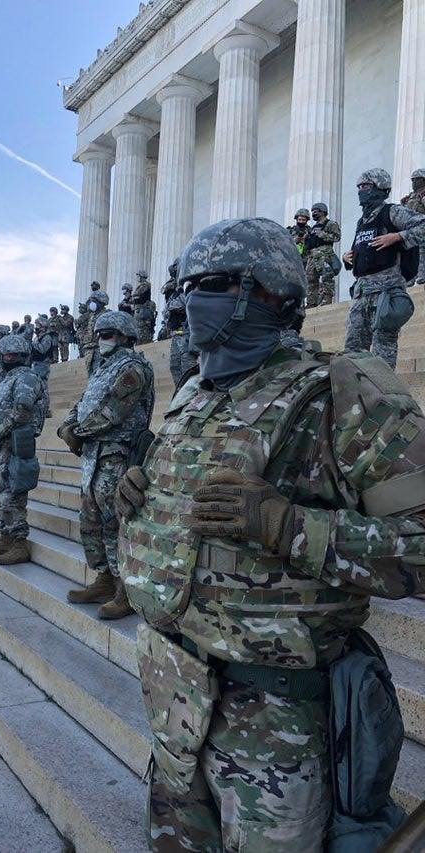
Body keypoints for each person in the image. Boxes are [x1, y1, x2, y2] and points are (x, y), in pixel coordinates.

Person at [115, 217, 425, 852]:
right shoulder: (195, 394)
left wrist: (289, 526)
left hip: (276, 729)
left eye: (208, 285)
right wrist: (138, 503)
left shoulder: (345, 393)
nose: (184, 301)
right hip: (175, 703)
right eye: (183, 285)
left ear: (269, 295)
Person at [58, 310, 154, 620]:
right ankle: (103, 578)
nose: (103, 339)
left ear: (126, 336)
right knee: (90, 517)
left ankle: (124, 589)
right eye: (100, 334)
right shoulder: (102, 367)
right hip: (94, 454)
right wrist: (67, 426)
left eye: (109, 333)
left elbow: (113, 412)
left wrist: (78, 432)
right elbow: (84, 403)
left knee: (115, 520)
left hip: (117, 453)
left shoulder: (133, 368)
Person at [343, 168, 425, 369]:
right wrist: (349, 258)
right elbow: (363, 249)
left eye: (366, 186)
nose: (361, 190)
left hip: (386, 293)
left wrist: (398, 236)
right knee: (353, 352)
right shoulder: (362, 221)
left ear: (380, 188)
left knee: (382, 352)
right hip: (361, 293)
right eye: (359, 187)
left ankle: (384, 397)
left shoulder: (393, 211)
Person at [0, 334, 46, 565]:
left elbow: (21, 413)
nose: (9, 358)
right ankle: (5, 537)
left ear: (23, 357)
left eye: (13, 355)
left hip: (16, 443)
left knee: (12, 495)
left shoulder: (27, 377)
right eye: (6, 354)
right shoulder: (6, 379)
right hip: (2, 445)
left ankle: (19, 543)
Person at [159, 259, 198, 387]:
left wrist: (172, 306)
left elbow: (182, 303)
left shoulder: (190, 285)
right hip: (176, 335)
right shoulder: (176, 289)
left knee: (188, 371)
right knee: (175, 368)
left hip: (187, 335)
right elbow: (166, 311)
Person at [305, 202, 341, 307]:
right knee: (310, 279)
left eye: (315, 211)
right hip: (312, 256)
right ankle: (311, 302)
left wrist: (323, 234)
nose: (313, 214)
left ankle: (327, 300)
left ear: (322, 211)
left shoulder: (331, 224)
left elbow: (337, 237)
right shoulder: (313, 228)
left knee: (327, 277)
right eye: (312, 212)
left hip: (325, 254)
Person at [401, 168, 425, 285]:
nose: (414, 182)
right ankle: (410, 278)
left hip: (422, 229)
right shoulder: (410, 196)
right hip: (410, 230)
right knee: (409, 255)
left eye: (417, 180)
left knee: (421, 254)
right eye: (413, 180)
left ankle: (421, 277)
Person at [30, 315, 53, 417]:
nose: (36, 327)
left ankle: (46, 409)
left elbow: (43, 349)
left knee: (43, 387)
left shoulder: (47, 337)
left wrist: (34, 343)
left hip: (43, 364)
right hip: (35, 364)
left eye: (38, 325)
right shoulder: (36, 338)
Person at [83, 290, 110, 374]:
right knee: (90, 374)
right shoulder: (92, 315)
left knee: (99, 373)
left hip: (100, 349)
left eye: (94, 301)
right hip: (89, 349)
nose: (91, 303)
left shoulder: (107, 315)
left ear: (101, 302)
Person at [132, 272, 157, 344]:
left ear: (141, 277)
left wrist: (134, 298)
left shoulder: (144, 285)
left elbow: (136, 296)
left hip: (143, 311)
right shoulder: (142, 285)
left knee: (143, 329)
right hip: (140, 310)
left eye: (138, 276)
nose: (137, 278)